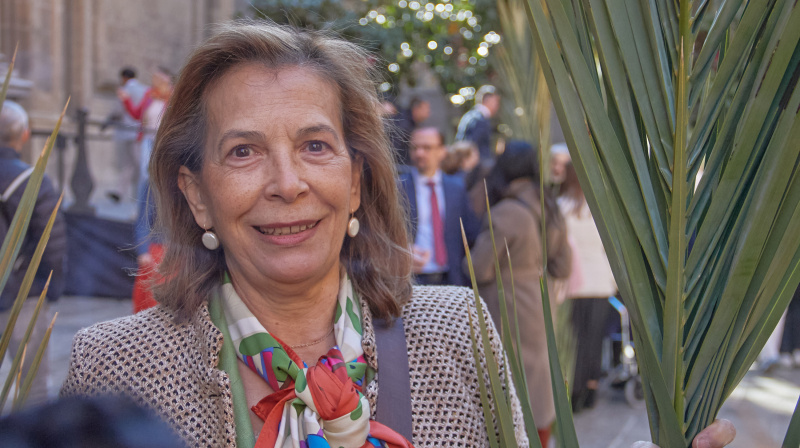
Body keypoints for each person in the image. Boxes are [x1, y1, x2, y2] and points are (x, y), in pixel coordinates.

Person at [61, 22, 528, 448]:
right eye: (243, 151)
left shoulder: (457, 333)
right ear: (197, 195)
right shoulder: (115, 368)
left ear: (354, 183)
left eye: (315, 146)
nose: (287, 184)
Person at [467, 140, 572, 448]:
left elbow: (479, 268)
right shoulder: (548, 205)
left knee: (508, 387)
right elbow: (563, 266)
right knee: (540, 384)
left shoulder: (506, 212)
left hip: (509, 305)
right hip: (542, 302)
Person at [0, 100, 67, 406]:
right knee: (32, 389)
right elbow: (51, 242)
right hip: (20, 295)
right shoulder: (31, 180)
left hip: (18, 292)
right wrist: (49, 287)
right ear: (24, 135)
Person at [558, 160, 619, 412]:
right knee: (594, 338)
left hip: (571, 283)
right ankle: (591, 388)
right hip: (599, 280)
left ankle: (574, 387)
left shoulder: (560, 208)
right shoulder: (602, 208)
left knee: (574, 338)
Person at [399, 126, 480, 287]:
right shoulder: (397, 188)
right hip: (410, 279)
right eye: (415, 148)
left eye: (427, 148)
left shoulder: (456, 188)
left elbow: (471, 232)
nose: (419, 153)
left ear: (442, 151)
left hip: (450, 278)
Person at [103, 67, 148, 203]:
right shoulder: (145, 90)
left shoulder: (125, 91)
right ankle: (120, 192)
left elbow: (119, 110)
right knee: (131, 164)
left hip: (129, 131)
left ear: (124, 77)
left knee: (139, 164)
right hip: (140, 130)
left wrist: (108, 121)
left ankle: (142, 193)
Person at [455, 85, 500, 161]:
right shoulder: (479, 120)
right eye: (496, 101)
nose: (498, 106)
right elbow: (471, 148)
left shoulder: (469, 116)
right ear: (489, 100)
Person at [389, 96, 431, 166]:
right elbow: (394, 149)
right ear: (416, 109)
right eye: (426, 109)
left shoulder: (409, 122)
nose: (428, 113)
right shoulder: (403, 124)